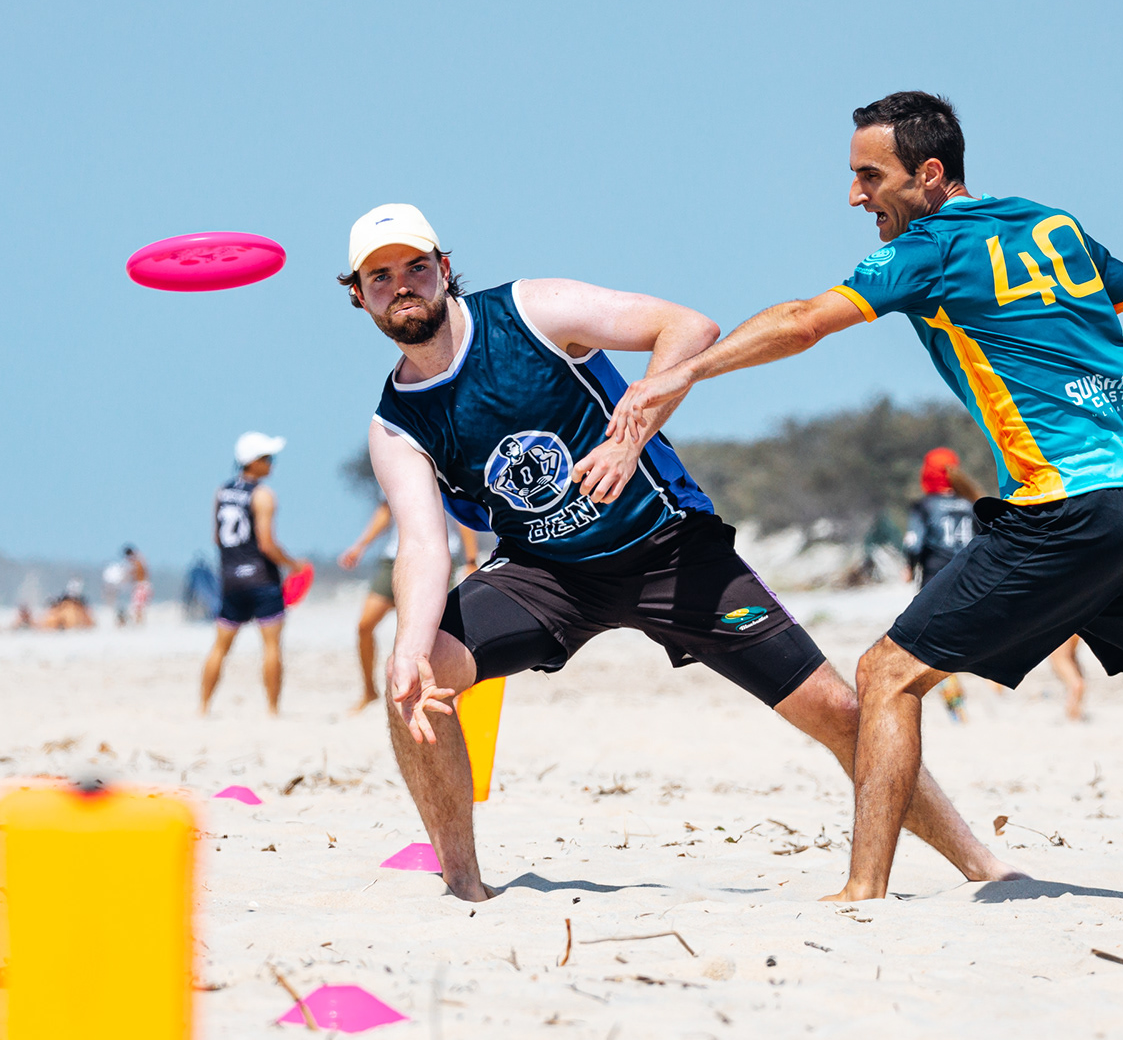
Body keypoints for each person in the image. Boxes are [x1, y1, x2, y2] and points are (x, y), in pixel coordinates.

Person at [611, 91, 1123, 902]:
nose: (856, 197)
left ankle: (863, 894)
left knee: (886, 675)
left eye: (869, 176)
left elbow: (805, 321)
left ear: (929, 174)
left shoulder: (930, 248)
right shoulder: (1049, 224)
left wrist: (681, 372)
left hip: (1067, 507)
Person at [345, 201, 1019, 904]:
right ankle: (463, 884)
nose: (404, 286)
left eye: (417, 267)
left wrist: (629, 434)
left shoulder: (532, 312)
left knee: (839, 712)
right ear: (360, 296)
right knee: (417, 680)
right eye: (382, 277)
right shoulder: (395, 425)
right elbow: (422, 546)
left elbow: (688, 327)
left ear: (444, 269)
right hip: (545, 575)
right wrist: (408, 651)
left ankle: (978, 862)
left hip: (667, 549)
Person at [338, 497, 480, 713]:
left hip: (439, 557)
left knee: (440, 635)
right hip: (396, 557)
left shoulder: (445, 466)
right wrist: (360, 546)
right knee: (364, 625)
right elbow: (385, 510)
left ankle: (447, 694)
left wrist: (471, 560)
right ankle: (369, 691)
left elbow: (463, 513)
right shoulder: (395, 464)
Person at [200, 431, 302, 716]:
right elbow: (267, 544)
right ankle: (272, 709)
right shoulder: (263, 495)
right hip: (261, 579)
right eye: (268, 458)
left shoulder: (221, 492)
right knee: (271, 647)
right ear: (253, 462)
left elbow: (216, 539)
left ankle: (203, 707)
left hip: (231, 579)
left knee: (220, 647)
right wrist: (294, 564)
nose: (272, 463)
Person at [902, 448, 980, 720]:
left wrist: (909, 567)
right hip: (971, 583)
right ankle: (968, 696)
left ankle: (956, 705)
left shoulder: (924, 506)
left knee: (931, 647)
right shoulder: (972, 502)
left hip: (936, 583)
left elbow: (914, 542)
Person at [123, 544, 153, 627]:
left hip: (141, 586)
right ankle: (139, 622)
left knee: (138, 606)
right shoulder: (140, 560)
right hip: (142, 585)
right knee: (138, 606)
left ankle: (139, 623)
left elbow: (139, 574)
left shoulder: (137, 562)